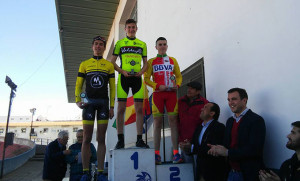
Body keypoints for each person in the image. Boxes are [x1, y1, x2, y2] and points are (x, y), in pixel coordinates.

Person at [75, 35, 115, 181]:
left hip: (103, 103)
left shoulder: (109, 65)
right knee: (86, 138)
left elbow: (112, 87)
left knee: (101, 138)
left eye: (101, 45)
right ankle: (85, 172)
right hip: (88, 104)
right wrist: (78, 100)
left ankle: (100, 172)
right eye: (96, 44)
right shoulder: (84, 64)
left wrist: (112, 106)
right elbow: (79, 84)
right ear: (92, 47)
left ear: (104, 48)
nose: (98, 46)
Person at [208, 88, 266, 181]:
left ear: (244, 100)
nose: (230, 102)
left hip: (248, 174)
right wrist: (217, 149)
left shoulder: (256, 120)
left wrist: (227, 152)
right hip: (231, 172)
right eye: (229, 100)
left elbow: (254, 149)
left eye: (234, 99)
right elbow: (228, 145)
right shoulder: (230, 121)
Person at [111, 19, 149, 149]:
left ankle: (139, 139)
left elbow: (146, 63)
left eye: (133, 27)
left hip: (137, 78)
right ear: (125, 29)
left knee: (139, 109)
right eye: (129, 27)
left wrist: (141, 72)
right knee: (121, 109)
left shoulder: (142, 44)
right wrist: (122, 71)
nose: (131, 29)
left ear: (136, 29)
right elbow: (112, 61)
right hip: (124, 78)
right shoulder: (120, 43)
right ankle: (120, 140)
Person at [144, 37, 183, 164]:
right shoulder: (151, 61)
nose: (162, 46)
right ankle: (156, 154)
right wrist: (156, 86)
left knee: (173, 121)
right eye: (160, 44)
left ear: (167, 46)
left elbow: (179, 76)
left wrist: (176, 85)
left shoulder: (173, 60)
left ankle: (176, 153)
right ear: (156, 47)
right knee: (157, 122)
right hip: (158, 94)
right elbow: (146, 79)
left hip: (171, 94)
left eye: (164, 44)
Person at [180, 102, 226, 181]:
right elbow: (195, 147)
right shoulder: (199, 128)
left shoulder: (219, 127)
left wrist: (192, 148)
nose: (202, 109)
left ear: (212, 113)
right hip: (200, 172)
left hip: (214, 173)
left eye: (205, 108)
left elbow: (212, 149)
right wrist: (187, 146)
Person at [178, 81, 209, 163]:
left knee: (197, 169)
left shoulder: (205, 103)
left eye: (192, 89)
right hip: (182, 142)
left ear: (198, 91)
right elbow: (176, 121)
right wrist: (179, 140)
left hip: (197, 143)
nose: (189, 90)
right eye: (188, 88)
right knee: (187, 170)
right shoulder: (180, 102)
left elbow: (206, 123)